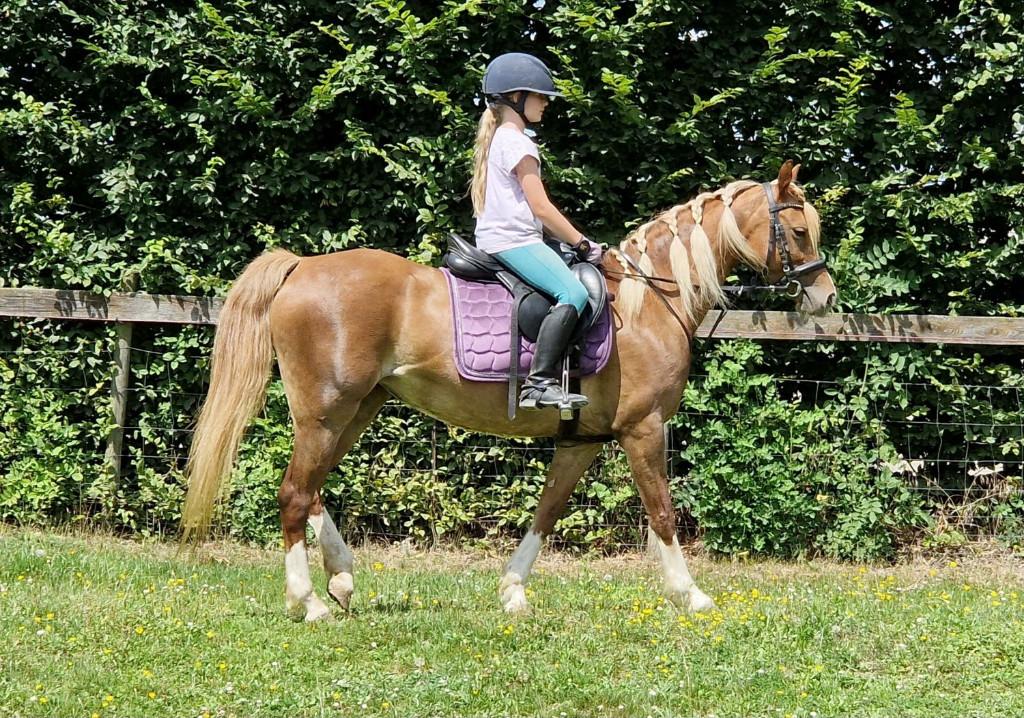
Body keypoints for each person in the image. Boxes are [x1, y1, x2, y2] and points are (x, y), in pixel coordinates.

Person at [471, 52, 602, 411]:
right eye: (540, 96)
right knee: (573, 293)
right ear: (516, 97)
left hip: (502, 238)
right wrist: (583, 243)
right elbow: (540, 208)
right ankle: (539, 383)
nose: (546, 104)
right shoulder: (517, 141)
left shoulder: (501, 137)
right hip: (515, 241)